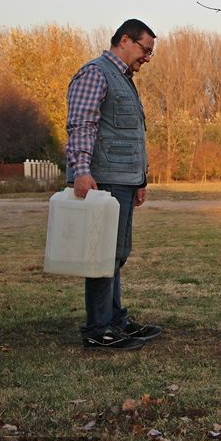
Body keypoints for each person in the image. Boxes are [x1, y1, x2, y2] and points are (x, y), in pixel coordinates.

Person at [65, 19, 162, 351]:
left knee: (116, 254)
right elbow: (81, 124)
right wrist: (81, 170)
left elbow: (129, 135)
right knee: (102, 255)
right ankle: (98, 328)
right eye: (145, 50)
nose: (147, 58)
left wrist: (140, 180)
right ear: (125, 40)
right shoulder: (95, 73)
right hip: (102, 180)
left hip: (123, 180)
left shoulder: (124, 80)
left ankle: (116, 321)